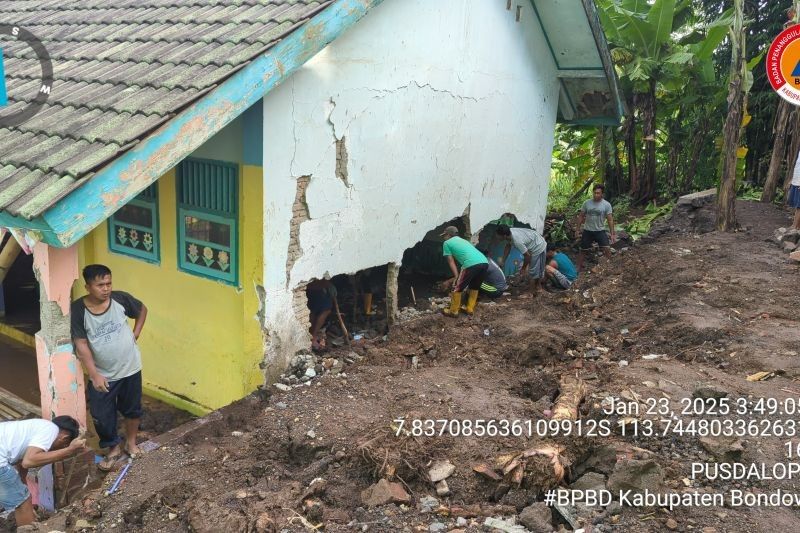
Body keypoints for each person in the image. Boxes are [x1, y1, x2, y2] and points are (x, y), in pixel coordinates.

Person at [71, 264, 147, 471]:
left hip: (131, 367)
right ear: (88, 287)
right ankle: (113, 449)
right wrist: (94, 374)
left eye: (108, 283)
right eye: (100, 285)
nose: (106, 289)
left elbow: (141, 310)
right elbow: (81, 344)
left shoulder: (120, 299)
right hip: (103, 373)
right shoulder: (78, 310)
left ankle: (131, 444)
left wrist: (136, 333)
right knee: (101, 415)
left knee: (132, 408)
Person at [0, 416, 86, 526]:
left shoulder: (36, 427)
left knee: (23, 498)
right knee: (22, 503)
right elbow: (28, 461)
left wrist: (24, 489)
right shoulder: (51, 430)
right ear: (64, 438)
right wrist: (68, 450)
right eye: (64, 445)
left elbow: (22, 464)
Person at [440, 226, 488, 317]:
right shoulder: (464, 241)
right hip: (484, 262)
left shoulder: (446, 243)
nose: (443, 237)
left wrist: (456, 276)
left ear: (449, 235)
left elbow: (450, 261)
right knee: (474, 286)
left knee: (456, 287)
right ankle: (469, 308)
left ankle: (453, 311)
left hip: (470, 264)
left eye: (444, 235)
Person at [496, 225, 547, 295]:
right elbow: (508, 246)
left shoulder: (517, 240)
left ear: (504, 236)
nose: (497, 236)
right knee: (532, 270)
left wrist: (523, 268)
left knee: (533, 271)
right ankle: (537, 287)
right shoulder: (509, 233)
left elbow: (527, 256)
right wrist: (503, 261)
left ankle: (530, 293)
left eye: (498, 235)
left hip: (538, 246)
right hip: (532, 242)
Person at [577, 184, 615, 272]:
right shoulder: (587, 203)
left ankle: (610, 267)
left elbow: (610, 220)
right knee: (583, 250)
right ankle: (578, 268)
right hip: (588, 230)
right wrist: (577, 229)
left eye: (598, 193)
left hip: (600, 230)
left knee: (607, 249)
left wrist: (612, 233)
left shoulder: (606, 205)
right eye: (594, 193)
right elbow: (581, 216)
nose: (596, 195)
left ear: (602, 194)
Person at [306, 279, 337, 351]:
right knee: (325, 310)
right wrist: (328, 284)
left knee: (313, 311)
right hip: (318, 288)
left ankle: (311, 336)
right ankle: (312, 337)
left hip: (313, 288)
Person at [789, 150, 800, 230]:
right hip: (796, 180)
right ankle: (796, 226)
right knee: (797, 205)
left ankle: (795, 226)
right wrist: (792, 179)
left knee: (799, 206)